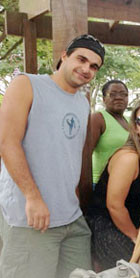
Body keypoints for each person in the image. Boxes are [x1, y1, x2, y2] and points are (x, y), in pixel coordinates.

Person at [0, 34, 105, 278]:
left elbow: (69, 156)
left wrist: (76, 198)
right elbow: (7, 142)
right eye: (81, 59)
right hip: (32, 217)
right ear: (64, 56)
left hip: (71, 218)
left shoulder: (82, 103)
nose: (86, 69)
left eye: (93, 66)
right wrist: (32, 196)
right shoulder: (27, 84)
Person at [86, 100, 140, 270]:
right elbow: (114, 205)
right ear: (136, 129)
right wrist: (135, 236)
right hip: (105, 225)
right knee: (137, 269)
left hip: (131, 222)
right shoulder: (128, 158)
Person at [90, 80, 130, 189]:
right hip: (100, 183)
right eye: (113, 94)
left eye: (123, 94)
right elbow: (85, 154)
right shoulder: (98, 118)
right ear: (103, 99)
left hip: (124, 183)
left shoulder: (130, 120)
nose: (119, 97)